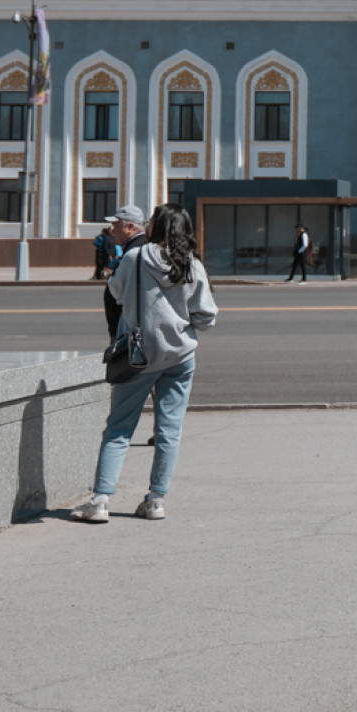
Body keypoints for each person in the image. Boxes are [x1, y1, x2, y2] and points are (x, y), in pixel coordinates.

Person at [73, 204, 218, 524]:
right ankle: (155, 500)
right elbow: (206, 317)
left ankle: (99, 501)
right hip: (180, 357)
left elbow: (117, 292)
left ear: (158, 226)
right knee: (169, 431)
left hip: (138, 357)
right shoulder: (192, 264)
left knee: (119, 428)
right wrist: (180, 320)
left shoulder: (134, 258)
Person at [102, 205, 148, 340]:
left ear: (131, 227)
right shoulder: (134, 246)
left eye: (116, 226)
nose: (113, 230)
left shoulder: (136, 250)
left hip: (128, 332)